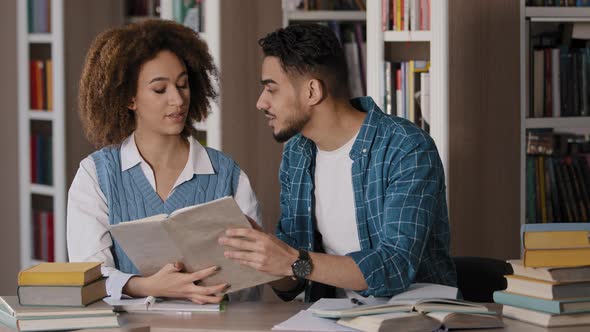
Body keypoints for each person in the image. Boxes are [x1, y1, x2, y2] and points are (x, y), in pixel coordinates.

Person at [219, 24, 457, 302]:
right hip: (333, 316)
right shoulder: (297, 153)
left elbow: (394, 267)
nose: (261, 103)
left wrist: (293, 260)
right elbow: (292, 284)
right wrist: (261, 254)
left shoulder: (406, 147)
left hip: (412, 316)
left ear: (312, 91)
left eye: (271, 89)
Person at [67, 20, 261, 304]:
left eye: (183, 85)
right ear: (129, 98)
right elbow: (89, 276)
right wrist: (147, 286)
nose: (178, 99)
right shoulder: (95, 174)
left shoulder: (227, 174)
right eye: (160, 89)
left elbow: (252, 286)